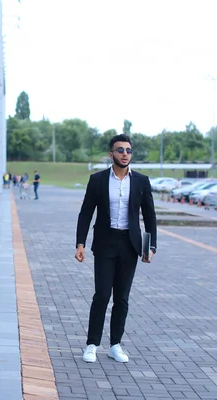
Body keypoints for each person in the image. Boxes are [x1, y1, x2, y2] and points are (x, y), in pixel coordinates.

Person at [74, 134, 157, 363]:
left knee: (122, 297)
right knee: (102, 294)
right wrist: (80, 243)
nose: (125, 154)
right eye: (120, 150)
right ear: (111, 154)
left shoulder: (141, 181)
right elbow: (86, 213)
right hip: (105, 243)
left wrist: (151, 246)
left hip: (130, 245)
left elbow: (149, 215)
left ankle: (115, 344)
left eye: (128, 150)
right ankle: (92, 344)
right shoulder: (98, 180)